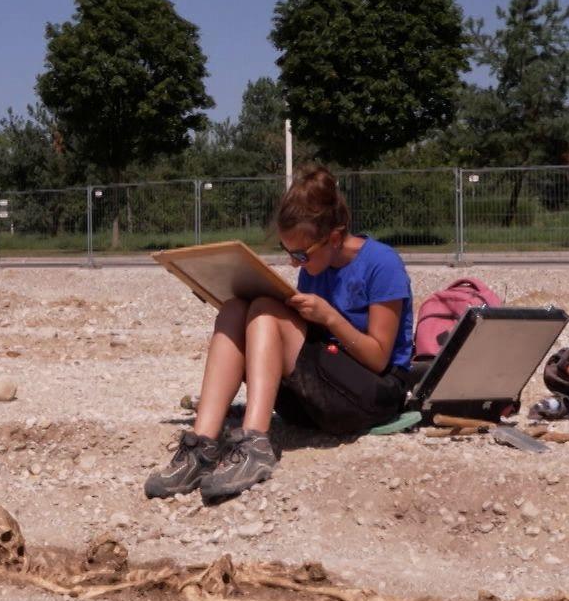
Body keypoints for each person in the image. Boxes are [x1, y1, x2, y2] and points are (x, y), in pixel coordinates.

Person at [146, 166, 415, 502]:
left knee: (264, 311)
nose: (294, 263)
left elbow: (379, 359)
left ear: (334, 238)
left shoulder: (382, 264)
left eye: (301, 254)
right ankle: (201, 446)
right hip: (321, 391)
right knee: (234, 310)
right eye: (287, 252)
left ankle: (255, 443)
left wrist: (330, 318)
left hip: (373, 396)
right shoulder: (315, 266)